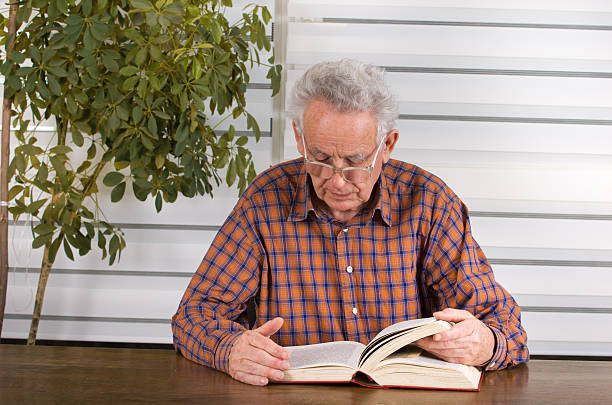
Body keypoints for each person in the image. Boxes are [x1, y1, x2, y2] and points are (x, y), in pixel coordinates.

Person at [172, 60, 529, 386]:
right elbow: (193, 316)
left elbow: (507, 329)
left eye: (356, 161)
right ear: (299, 139)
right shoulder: (264, 201)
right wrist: (232, 349)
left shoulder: (430, 203)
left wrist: (484, 343)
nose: (338, 180)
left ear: (387, 145)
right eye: (321, 158)